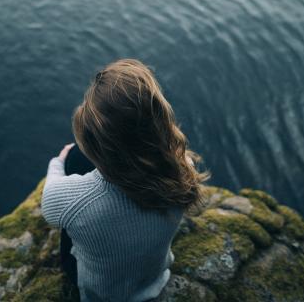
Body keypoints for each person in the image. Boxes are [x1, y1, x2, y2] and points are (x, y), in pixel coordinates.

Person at [41, 59, 210, 301]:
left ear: (102, 147)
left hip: (103, 294)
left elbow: (50, 200)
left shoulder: (73, 201)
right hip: (153, 279)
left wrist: (58, 162)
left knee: (75, 159)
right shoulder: (184, 171)